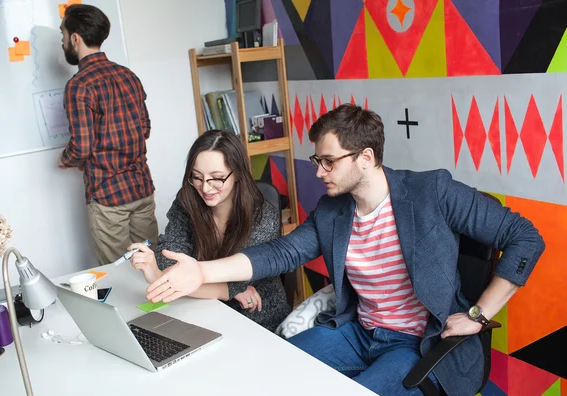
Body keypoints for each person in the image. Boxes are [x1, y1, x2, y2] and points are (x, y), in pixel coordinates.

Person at [142, 105, 545, 395]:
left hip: (417, 342)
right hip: (357, 331)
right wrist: (202, 272)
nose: (318, 172)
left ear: (366, 157)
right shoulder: (334, 211)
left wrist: (479, 313)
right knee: (271, 368)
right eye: (318, 160)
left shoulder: (432, 192)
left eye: (328, 162)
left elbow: (525, 237)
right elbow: (282, 252)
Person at [129, 130, 290, 332]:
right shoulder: (187, 201)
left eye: (217, 178)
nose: (205, 188)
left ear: (238, 174)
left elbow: (235, 283)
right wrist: (227, 290)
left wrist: (158, 276)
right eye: (197, 177)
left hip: (257, 317)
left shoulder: (262, 216)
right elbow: (169, 257)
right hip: (202, 312)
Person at [57, 4, 158, 266]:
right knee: (150, 265)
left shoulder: (79, 85)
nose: (63, 42)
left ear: (75, 38)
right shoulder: (128, 76)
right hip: (141, 189)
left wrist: (64, 159)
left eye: (63, 36)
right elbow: (144, 128)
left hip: (108, 196)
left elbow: (82, 147)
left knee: (119, 271)